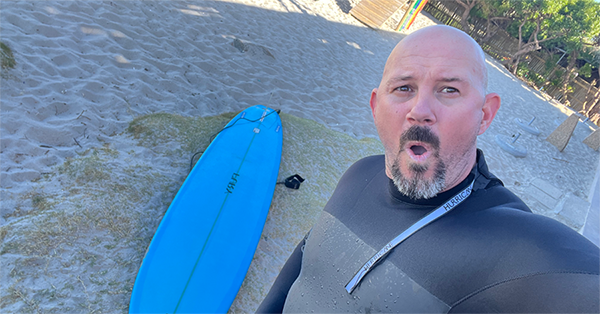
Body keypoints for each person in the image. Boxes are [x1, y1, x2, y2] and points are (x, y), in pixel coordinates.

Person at [256, 25, 600, 313]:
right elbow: (300, 268)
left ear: (485, 114)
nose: (420, 110)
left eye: (449, 89)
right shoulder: (359, 174)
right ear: (376, 106)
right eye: (403, 88)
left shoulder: (514, 246)